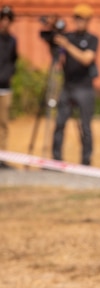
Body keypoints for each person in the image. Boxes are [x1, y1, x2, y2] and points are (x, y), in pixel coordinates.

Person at [51, 3, 98, 166]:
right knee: (59, 123)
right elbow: (58, 54)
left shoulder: (92, 39)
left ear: (88, 20)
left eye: (82, 19)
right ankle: (56, 158)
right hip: (67, 85)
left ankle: (86, 161)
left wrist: (67, 46)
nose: (79, 22)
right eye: (76, 18)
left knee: (85, 127)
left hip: (84, 88)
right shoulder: (68, 36)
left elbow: (87, 59)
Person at [0, 5, 16, 169]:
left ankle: (2, 158)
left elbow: (13, 60)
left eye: (7, 19)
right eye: (2, 19)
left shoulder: (12, 40)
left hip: (5, 87)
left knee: (3, 124)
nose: (5, 22)